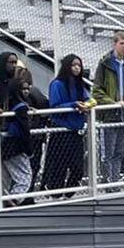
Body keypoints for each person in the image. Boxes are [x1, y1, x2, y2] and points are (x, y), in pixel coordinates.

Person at [91, 31, 124, 184]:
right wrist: (114, 103)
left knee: (119, 151)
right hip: (109, 115)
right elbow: (97, 90)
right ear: (115, 44)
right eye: (121, 43)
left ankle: (115, 182)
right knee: (107, 152)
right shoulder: (105, 63)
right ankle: (107, 182)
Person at [44, 54, 92, 195]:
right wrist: (73, 105)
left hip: (76, 131)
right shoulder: (57, 84)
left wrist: (88, 104)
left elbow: (87, 98)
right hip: (61, 130)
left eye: (79, 65)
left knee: (78, 166)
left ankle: (70, 190)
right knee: (59, 165)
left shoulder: (79, 84)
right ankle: (55, 192)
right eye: (73, 65)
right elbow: (54, 106)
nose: (77, 68)